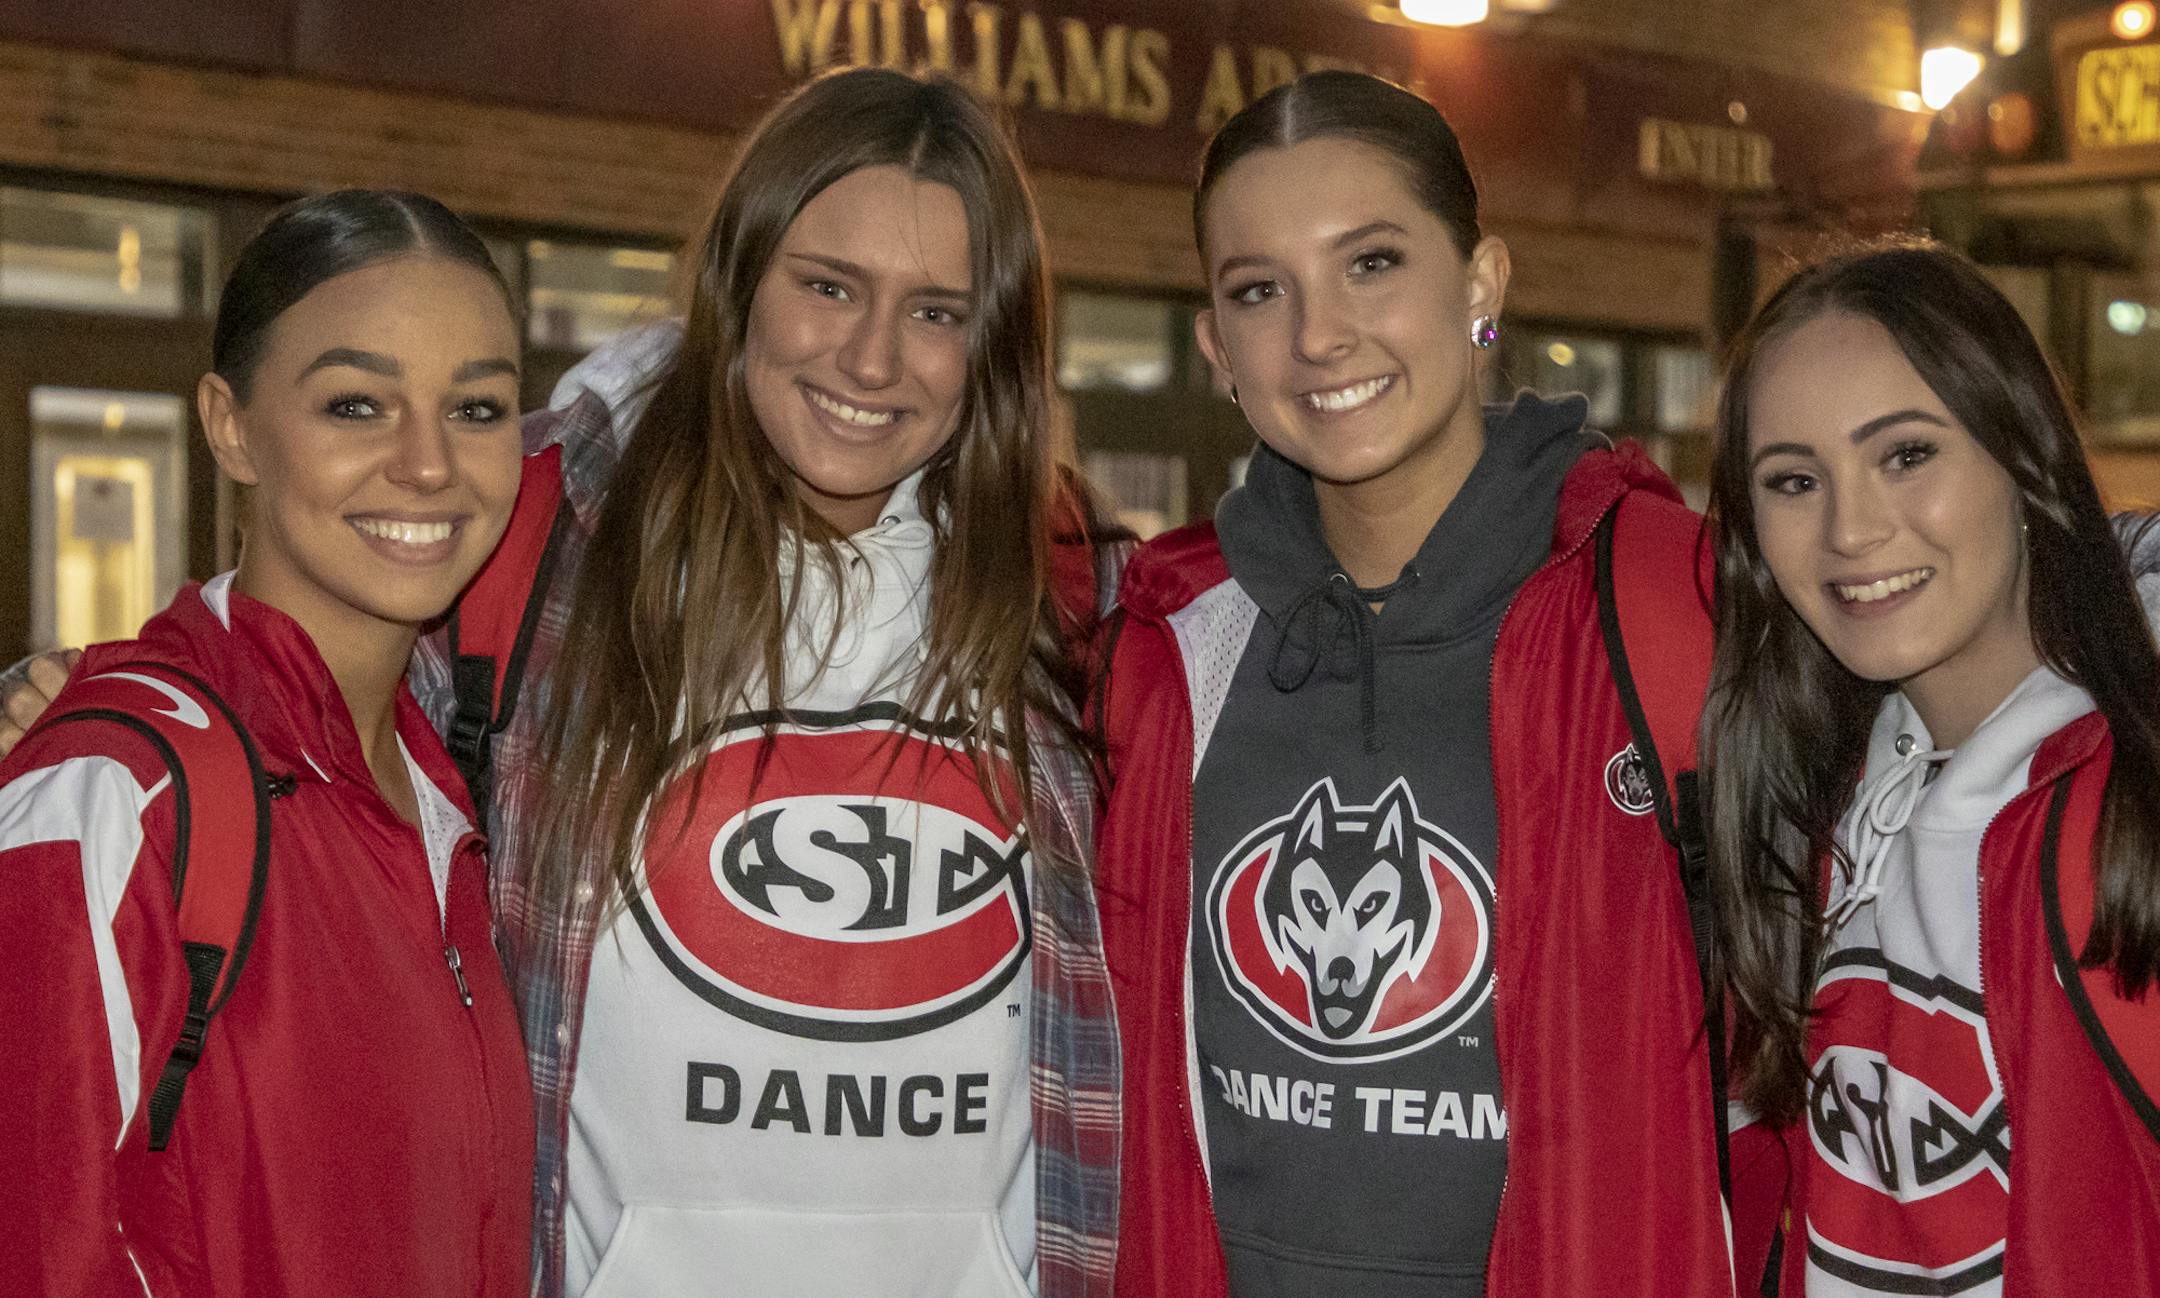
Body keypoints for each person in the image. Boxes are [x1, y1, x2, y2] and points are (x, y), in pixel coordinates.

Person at [0, 71, 1126, 1298]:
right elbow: (304, 621)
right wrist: (72, 705)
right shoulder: (551, 529)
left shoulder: (1078, 599)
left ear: (995, 340)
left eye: (938, 311)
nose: (870, 354)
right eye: (829, 284)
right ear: (740, 282)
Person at [1091, 70, 1773, 1297]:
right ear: (1215, 346)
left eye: (1372, 264)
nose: (1317, 335)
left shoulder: (1676, 604)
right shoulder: (1161, 649)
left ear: (1481, 285)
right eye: (1259, 290)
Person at [0, 190, 535, 1295]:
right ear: (231, 425)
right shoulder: (113, 788)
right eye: (356, 405)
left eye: (477, 409)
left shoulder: (449, 795)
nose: (430, 465)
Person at [1703, 242, 2160, 1296]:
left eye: (1906, 454)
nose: (1852, 529)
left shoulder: (2123, 811)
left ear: (2023, 453)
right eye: (1793, 480)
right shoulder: (1810, 797)